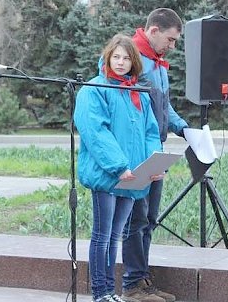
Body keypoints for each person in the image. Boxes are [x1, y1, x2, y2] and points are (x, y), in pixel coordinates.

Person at [75, 34, 162, 302]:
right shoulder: (94, 89)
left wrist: (152, 165)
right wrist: (119, 166)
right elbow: (96, 132)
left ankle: (110, 292)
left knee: (115, 237)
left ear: (134, 62)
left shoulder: (137, 93)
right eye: (116, 57)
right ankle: (100, 293)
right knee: (102, 236)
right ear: (107, 58)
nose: (121, 62)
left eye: (126, 58)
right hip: (108, 174)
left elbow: (150, 131)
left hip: (133, 176)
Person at [121, 8, 188, 302]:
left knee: (149, 218)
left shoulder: (159, 64)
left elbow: (164, 107)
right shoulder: (128, 57)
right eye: (170, 40)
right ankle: (132, 285)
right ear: (153, 31)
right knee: (135, 220)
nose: (172, 46)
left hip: (155, 150)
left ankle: (143, 280)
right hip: (136, 153)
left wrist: (185, 129)